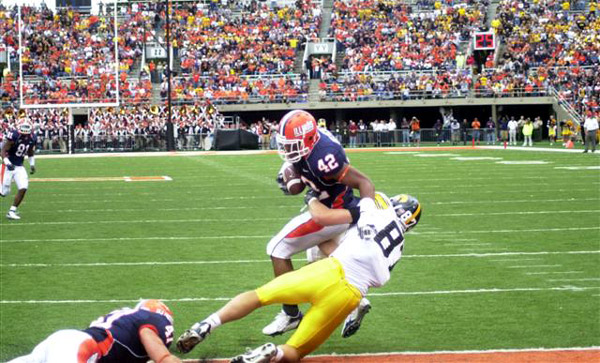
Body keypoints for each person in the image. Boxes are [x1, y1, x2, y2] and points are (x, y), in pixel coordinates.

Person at [176, 191, 422, 363]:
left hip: (327, 271)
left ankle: (207, 324)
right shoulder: (398, 250)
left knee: (259, 296)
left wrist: (313, 197)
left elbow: (361, 197)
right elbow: (380, 279)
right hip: (349, 294)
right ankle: (272, 353)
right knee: (294, 352)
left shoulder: (376, 204)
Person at [263, 110, 375, 337]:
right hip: (331, 203)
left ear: (308, 140)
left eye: (291, 145)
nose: (286, 150)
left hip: (331, 211)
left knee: (277, 249)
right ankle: (357, 300)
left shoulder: (325, 158)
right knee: (322, 257)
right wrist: (292, 175)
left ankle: (291, 314)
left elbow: (364, 182)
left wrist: (369, 217)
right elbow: (296, 180)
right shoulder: (312, 144)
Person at [8, 299, 180, 363]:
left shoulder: (130, 319)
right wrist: (167, 357)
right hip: (79, 348)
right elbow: (160, 354)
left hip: (64, 342)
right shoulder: (152, 320)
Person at [1, 121, 36, 220]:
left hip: (19, 166)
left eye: (26, 134)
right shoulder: (14, 136)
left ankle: (11, 211)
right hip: (7, 166)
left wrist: (32, 164)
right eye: (22, 133)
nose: (24, 136)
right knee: (4, 193)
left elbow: (30, 152)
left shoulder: (32, 138)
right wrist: (7, 163)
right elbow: (3, 151)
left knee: (23, 187)